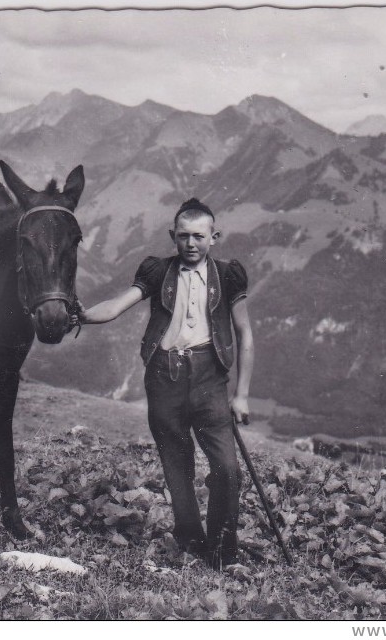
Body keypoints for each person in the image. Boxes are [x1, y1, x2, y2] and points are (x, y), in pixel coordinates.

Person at [77, 197, 254, 569]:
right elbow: (116, 305)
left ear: (214, 237)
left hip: (210, 377)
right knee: (177, 463)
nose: (191, 244)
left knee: (227, 468)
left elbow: (245, 335)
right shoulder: (159, 272)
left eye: (199, 237)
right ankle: (190, 540)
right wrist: (79, 316)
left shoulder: (228, 274)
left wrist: (242, 395)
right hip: (164, 376)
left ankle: (222, 552)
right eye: (184, 236)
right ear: (173, 236)